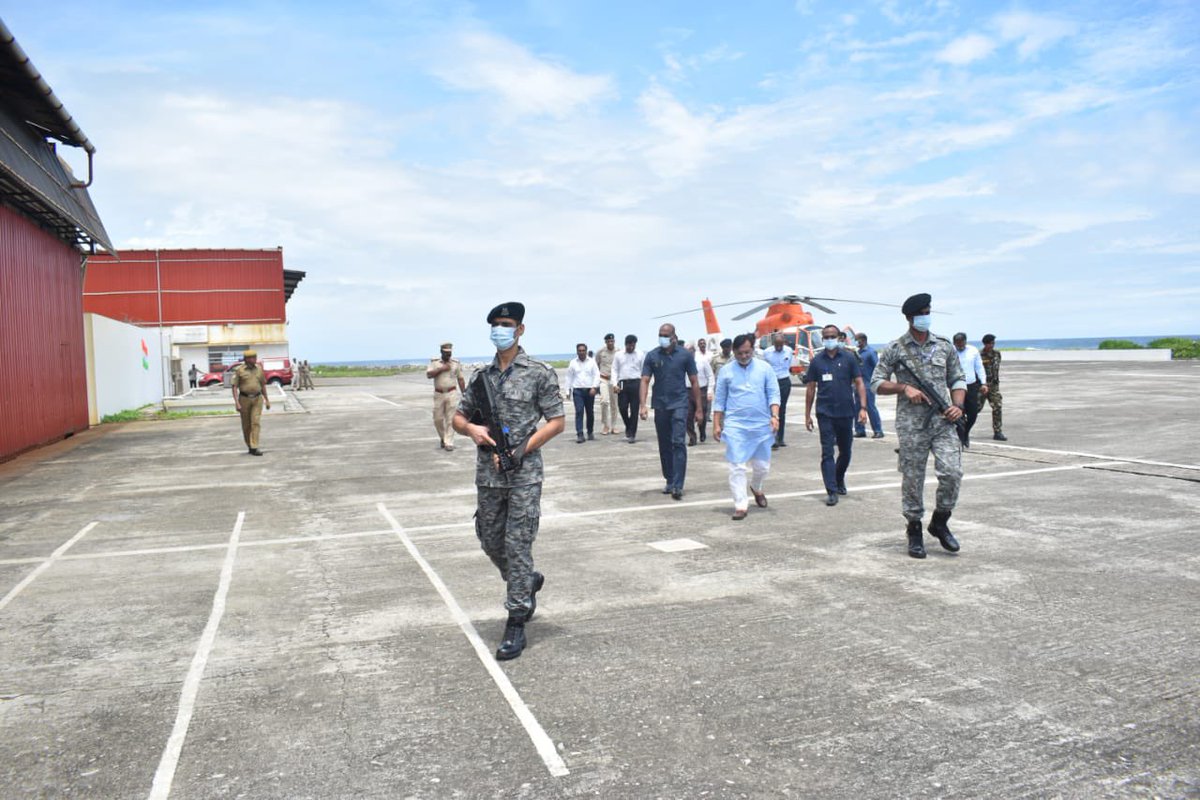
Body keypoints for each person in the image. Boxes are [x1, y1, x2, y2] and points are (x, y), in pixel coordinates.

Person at [453, 301, 565, 660]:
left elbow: (556, 422)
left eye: (507, 324)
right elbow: (458, 418)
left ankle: (516, 618)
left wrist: (521, 450)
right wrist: (471, 429)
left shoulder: (539, 373)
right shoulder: (481, 377)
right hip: (488, 474)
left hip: (524, 475)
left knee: (517, 545)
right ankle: (527, 580)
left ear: (520, 330)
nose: (500, 330)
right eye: (496, 324)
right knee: (489, 539)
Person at [870, 293, 967, 559]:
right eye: (922, 312)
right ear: (911, 318)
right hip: (912, 424)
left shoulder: (944, 346)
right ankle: (914, 529)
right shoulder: (895, 349)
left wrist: (957, 405)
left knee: (953, 472)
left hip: (944, 421)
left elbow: (958, 379)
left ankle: (940, 521)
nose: (927, 315)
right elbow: (876, 383)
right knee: (913, 478)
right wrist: (903, 387)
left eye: (928, 310)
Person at [713, 334, 780, 520]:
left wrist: (775, 416)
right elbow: (719, 400)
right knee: (737, 467)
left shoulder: (765, 368)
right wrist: (717, 424)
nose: (744, 356)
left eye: (748, 352)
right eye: (740, 353)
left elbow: (774, 393)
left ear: (753, 350)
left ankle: (757, 487)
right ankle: (740, 505)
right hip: (735, 426)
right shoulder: (726, 371)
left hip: (761, 425)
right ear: (734, 352)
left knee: (762, 467)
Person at [804, 325, 869, 506]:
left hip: (846, 412)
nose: (829, 339)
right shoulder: (817, 361)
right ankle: (831, 490)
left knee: (846, 451)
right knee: (827, 452)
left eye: (832, 336)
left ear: (839, 337)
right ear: (822, 339)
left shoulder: (849, 358)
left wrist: (863, 408)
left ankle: (839, 478)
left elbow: (859, 382)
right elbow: (810, 388)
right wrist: (807, 414)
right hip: (825, 413)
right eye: (826, 337)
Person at [640, 323, 702, 500]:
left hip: (679, 404)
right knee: (664, 444)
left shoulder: (685, 355)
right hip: (660, 405)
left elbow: (694, 382)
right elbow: (644, 380)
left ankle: (678, 484)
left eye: (666, 335)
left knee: (678, 442)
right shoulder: (652, 355)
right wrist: (642, 405)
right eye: (660, 335)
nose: (663, 338)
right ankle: (669, 479)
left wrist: (699, 409)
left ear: (674, 336)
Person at [426, 342, 466, 451]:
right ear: (441, 352)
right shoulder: (435, 363)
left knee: (450, 419)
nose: (449, 355)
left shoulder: (455, 363)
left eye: (450, 353)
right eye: (446, 353)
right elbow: (429, 375)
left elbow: (460, 379)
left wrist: (464, 393)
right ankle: (443, 438)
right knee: (437, 419)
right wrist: (441, 369)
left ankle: (449, 442)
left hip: (452, 393)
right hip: (439, 394)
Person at [231, 350, 271, 455]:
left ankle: (254, 446)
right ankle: (249, 445)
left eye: (255, 357)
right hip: (244, 399)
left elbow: (262, 385)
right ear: (246, 359)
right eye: (252, 357)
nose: (254, 359)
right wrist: (237, 402)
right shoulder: (239, 370)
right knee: (246, 425)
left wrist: (267, 399)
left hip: (257, 399)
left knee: (255, 422)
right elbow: (234, 387)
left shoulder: (259, 369)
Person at [952, 333, 988, 448]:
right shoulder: (951, 351)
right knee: (959, 413)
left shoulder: (973, 350)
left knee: (973, 413)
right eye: (958, 345)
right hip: (956, 386)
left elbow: (979, 367)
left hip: (971, 385)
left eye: (962, 344)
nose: (960, 347)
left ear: (965, 342)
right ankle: (961, 438)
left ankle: (965, 433)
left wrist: (983, 383)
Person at [763, 333, 794, 449]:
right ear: (773, 344)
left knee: (782, 410)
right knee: (771, 409)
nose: (779, 347)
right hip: (772, 382)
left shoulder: (789, 351)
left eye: (781, 345)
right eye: (777, 345)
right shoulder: (767, 353)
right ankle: (772, 437)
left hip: (784, 381)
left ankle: (780, 438)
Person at [564, 343, 600, 443]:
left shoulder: (592, 362)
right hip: (577, 391)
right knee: (579, 411)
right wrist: (567, 390)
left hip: (589, 390)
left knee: (590, 412)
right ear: (577, 352)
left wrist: (594, 387)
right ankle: (580, 434)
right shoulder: (573, 363)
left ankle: (590, 432)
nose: (581, 352)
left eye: (583, 350)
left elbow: (596, 375)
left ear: (586, 351)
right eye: (579, 351)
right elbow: (569, 377)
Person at [612, 335, 644, 443]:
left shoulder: (640, 354)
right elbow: (614, 370)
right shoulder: (618, 355)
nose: (631, 347)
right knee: (622, 407)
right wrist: (614, 384)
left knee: (634, 410)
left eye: (633, 345)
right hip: (622, 383)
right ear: (626, 344)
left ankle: (632, 434)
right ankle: (628, 425)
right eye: (629, 345)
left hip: (636, 382)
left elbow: (643, 371)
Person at [855, 333, 885, 438]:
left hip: (868, 384)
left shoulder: (870, 352)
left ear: (862, 340)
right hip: (858, 385)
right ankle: (860, 430)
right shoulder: (857, 353)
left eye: (857, 340)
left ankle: (878, 430)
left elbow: (877, 367)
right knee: (857, 407)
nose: (855, 342)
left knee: (870, 407)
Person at [688, 338, 715, 445]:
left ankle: (702, 431)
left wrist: (710, 391)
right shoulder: (682, 363)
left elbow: (710, 376)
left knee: (702, 413)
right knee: (688, 415)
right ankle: (692, 437)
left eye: (691, 352)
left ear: (694, 352)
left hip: (701, 390)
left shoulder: (702, 361)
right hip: (687, 391)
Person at [979, 334, 1007, 441]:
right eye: (990, 343)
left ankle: (998, 432)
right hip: (981, 386)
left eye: (993, 343)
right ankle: (963, 429)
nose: (992, 345)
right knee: (975, 408)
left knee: (997, 407)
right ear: (985, 344)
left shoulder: (997, 354)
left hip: (994, 386)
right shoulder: (979, 355)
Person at [594, 333, 619, 435]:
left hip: (614, 381)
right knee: (604, 401)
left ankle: (614, 425)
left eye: (612, 341)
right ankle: (605, 425)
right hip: (603, 379)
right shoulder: (600, 352)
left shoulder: (619, 351)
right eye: (608, 341)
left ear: (614, 341)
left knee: (614, 404)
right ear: (605, 342)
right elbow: (596, 366)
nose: (610, 343)